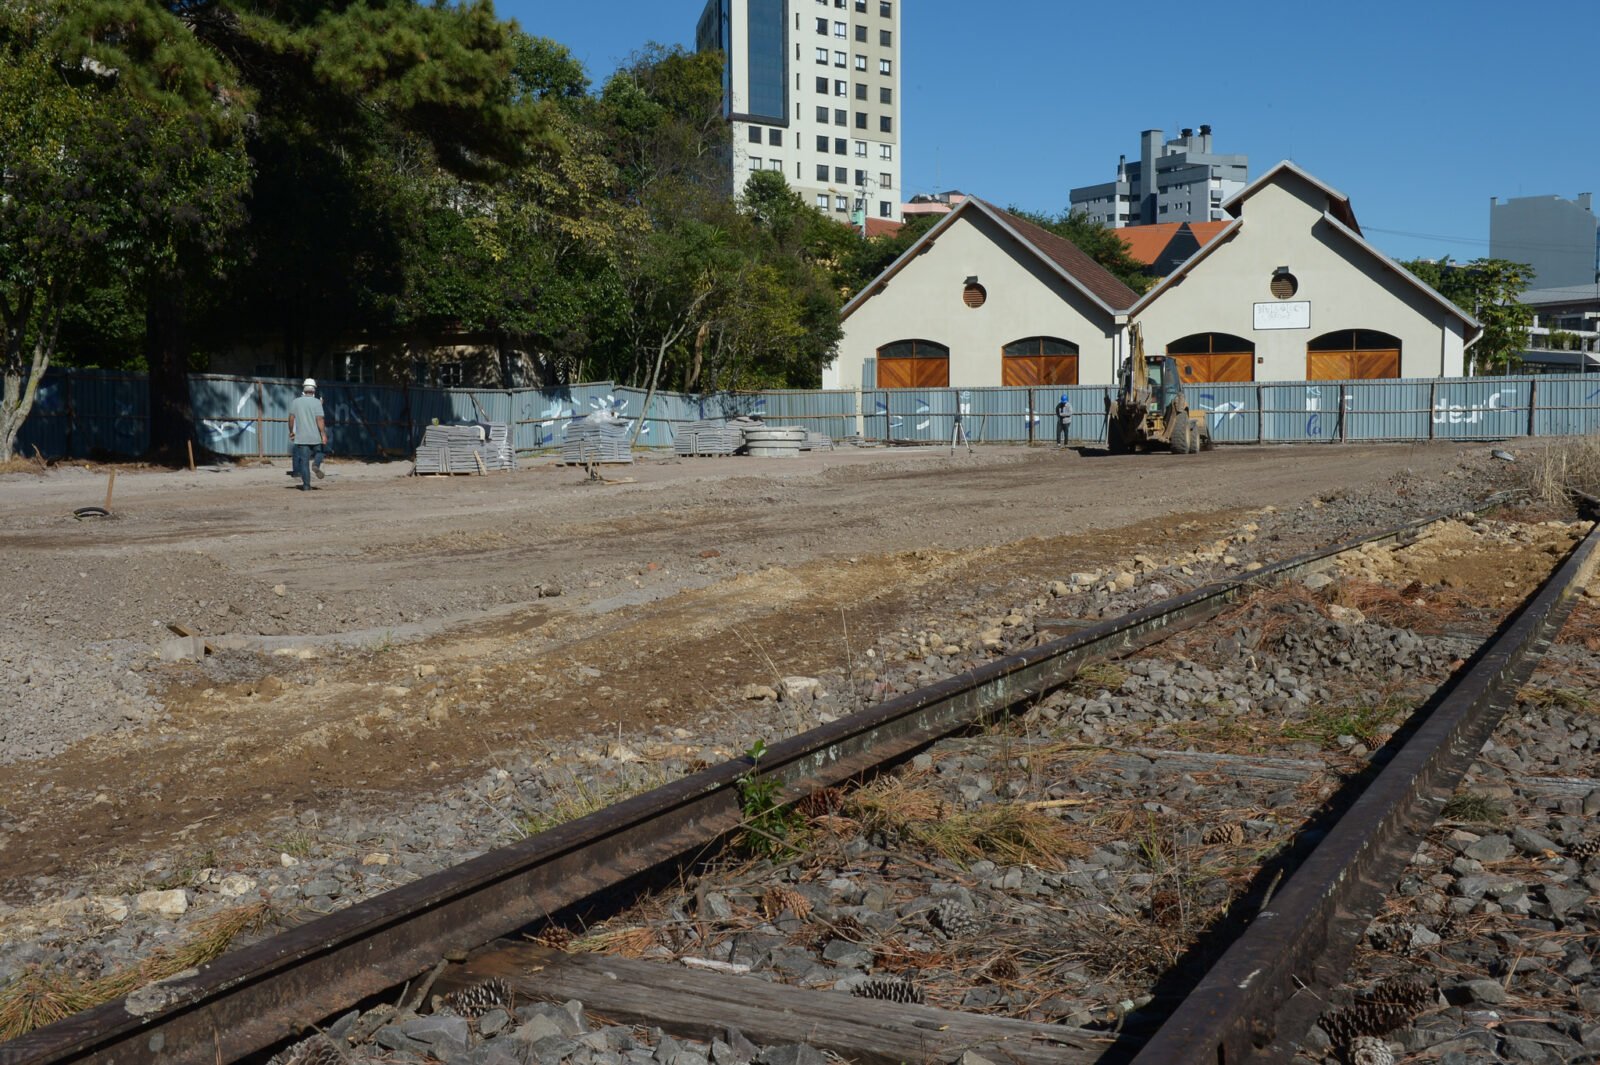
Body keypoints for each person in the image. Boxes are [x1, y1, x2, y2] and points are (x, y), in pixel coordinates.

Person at [287, 378, 327, 490]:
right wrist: (323, 434)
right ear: (314, 389)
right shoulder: (317, 402)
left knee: (304, 462)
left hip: (301, 438)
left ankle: (306, 486)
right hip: (315, 436)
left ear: (303, 389)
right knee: (320, 452)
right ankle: (316, 464)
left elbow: (291, 419)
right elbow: (319, 419)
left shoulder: (296, 402)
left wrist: (291, 432)